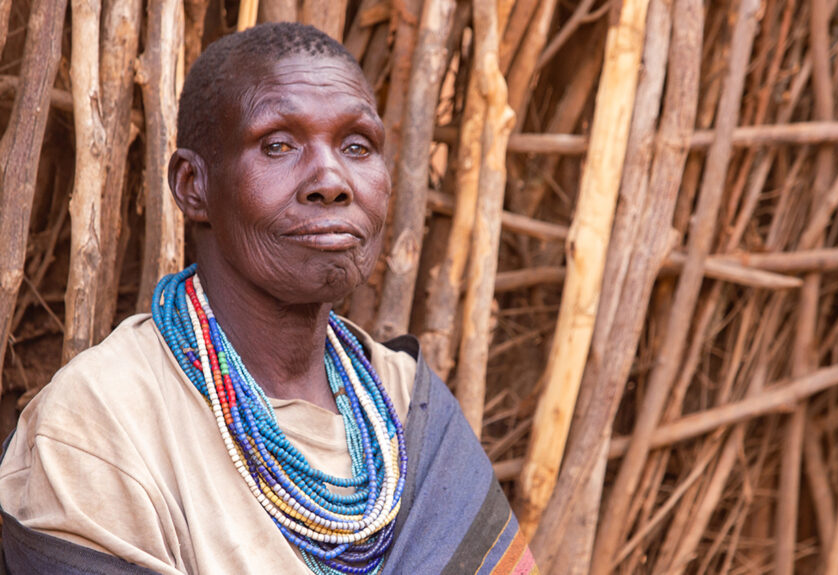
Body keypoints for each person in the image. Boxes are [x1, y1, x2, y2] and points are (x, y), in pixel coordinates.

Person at [0, 23, 535, 575]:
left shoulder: (406, 403)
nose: (332, 180)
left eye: (357, 146)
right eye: (278, 145)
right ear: (192, 185)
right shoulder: (103, 423)